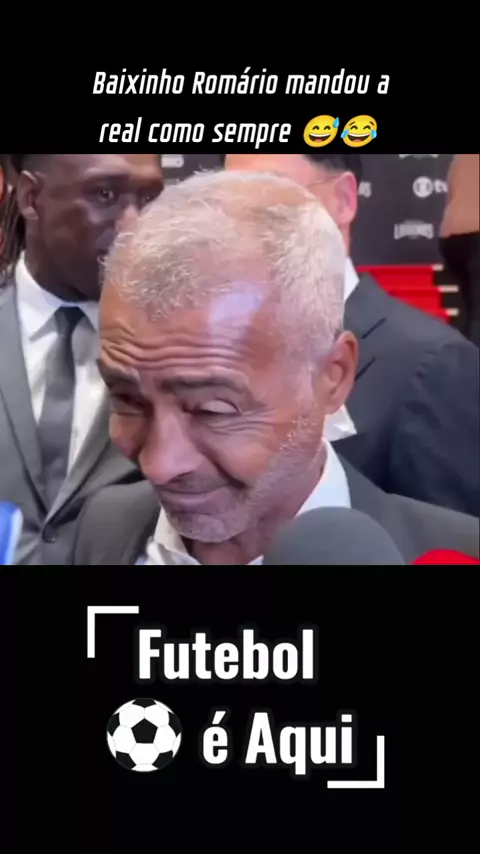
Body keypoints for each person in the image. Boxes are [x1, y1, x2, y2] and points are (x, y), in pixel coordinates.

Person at [70, 171, 478, 566]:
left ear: (333, 376)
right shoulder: (103, 527)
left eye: (212, 410)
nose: (160, 465)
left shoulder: (453, 552)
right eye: (127, 400)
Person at [220, 153, 480, 518]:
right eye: (229, 199)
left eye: (268, 194)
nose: (242, 222)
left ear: (344, 199)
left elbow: (451, 537)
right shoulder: (216, 353)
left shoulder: (432, 364)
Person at [0, 153, 165, 564]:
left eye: (148, 198)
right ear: (31, 197)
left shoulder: (181, 348)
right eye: (105, 194)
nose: (134, 228)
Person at [440, 154, 480, 347]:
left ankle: (463, 358)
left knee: (467, 307)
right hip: (476, 234)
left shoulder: (461, 158)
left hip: (450, 237)